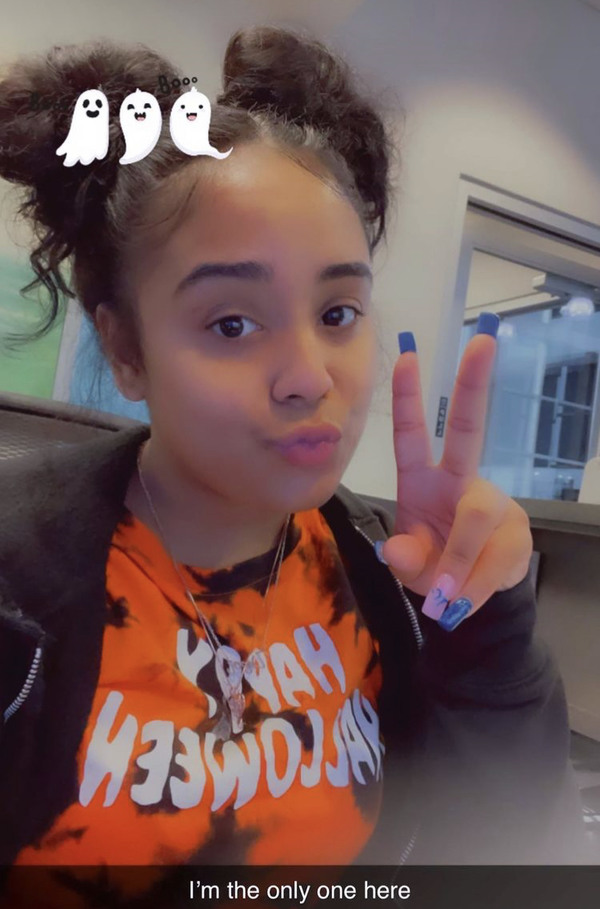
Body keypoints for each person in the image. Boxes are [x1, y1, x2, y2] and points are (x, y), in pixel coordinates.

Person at [0, 24, 593, 908]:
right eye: (233, 323)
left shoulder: (389, 570)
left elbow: (509, 856)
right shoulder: (18, 581)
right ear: (124, 348)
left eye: (339, 312)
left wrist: (485, 634)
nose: (310, 377)